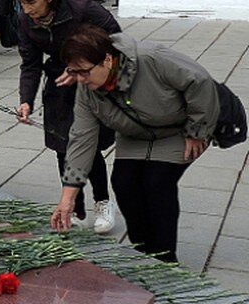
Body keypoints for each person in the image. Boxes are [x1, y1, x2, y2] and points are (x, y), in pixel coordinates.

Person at [51, 25, 220, 262]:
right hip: (135, 134)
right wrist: (67, 199)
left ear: (107, 60)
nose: (79, 79)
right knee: (123, 182)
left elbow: (200, 81)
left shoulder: (150, 59)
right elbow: (82, 139)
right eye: (73, 71)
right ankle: (143, 250)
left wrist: (197, 130)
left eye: (84, 72)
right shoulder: (87, 90)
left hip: (178, 130)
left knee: (157, 182)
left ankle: (164, 258)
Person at [14, 0, 120, 232]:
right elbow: (30, 64)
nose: (27, 10)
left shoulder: (83, 10)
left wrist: (81, 68)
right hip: (58, 84)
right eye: (22, 4)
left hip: (91, 81)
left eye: (31, 3)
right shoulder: (26, 21)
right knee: (62, 145)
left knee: (88, 146)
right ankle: (76, 208)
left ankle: (102, 202)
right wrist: (26, 100)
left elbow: (117, 42)